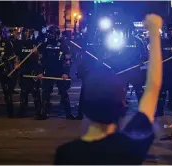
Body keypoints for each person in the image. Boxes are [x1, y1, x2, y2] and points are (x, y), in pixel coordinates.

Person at [54, 14, 163, 165]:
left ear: (86, 110)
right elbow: (153, 88)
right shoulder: (129, 148)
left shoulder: (65, 154)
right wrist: (154, 32)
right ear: (121, 106)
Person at [37, 25, 75, 120]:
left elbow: (68, 60)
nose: (50, 35)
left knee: (63, 93)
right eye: (49, 33)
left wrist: (66, 73)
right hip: (48, 72)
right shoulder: (45, 45)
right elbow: (40, 60)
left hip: (60, 72)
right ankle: (43, 113)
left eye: (52, 33)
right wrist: (40, 72)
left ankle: (68, 113)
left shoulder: (63, 44)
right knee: (45, 93)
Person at [14, 28, 43, 118]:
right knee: (24, 92)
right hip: (23, 71)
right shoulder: (19, 44)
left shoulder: (35, 43)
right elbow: (17, 56)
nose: (26, 35)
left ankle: (39, 112)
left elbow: (41, 57)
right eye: (25, 33)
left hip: (33, 71)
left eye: (28, 33)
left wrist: (36, 52)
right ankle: (22, 111)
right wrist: (16, 63)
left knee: (35, 92)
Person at [156, 24, 172, 116]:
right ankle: (160, 110)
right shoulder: (161, 42)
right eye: (170, 31)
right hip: (164, 70)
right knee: (162, 91)